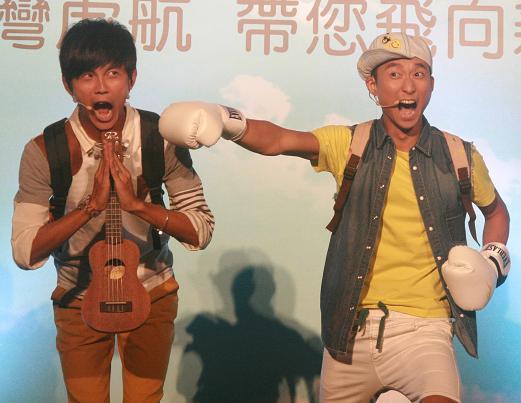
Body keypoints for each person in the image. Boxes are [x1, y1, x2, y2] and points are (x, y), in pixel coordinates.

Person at [158, 32, 510, 402]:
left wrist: (492, 260)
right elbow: (279, 140)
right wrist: (226, 119)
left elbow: (496, 212)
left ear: (432, 85)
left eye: (419, 74)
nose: (408, 85)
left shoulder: (459, 155)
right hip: (350, 333)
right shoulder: (350, 144)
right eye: (394, 74)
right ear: (373, 86)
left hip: (425, 330)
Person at [11, 19, 214, 402]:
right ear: (68, 86)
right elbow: (24, 251)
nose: (101, 87)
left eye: (113, 73)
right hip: (78, 294)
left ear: (132, 78)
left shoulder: (160, 138)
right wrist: (89, 208)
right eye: (87, 76)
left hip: (151, 289)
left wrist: (139, 206)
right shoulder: (45, 150)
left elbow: (200, 228)